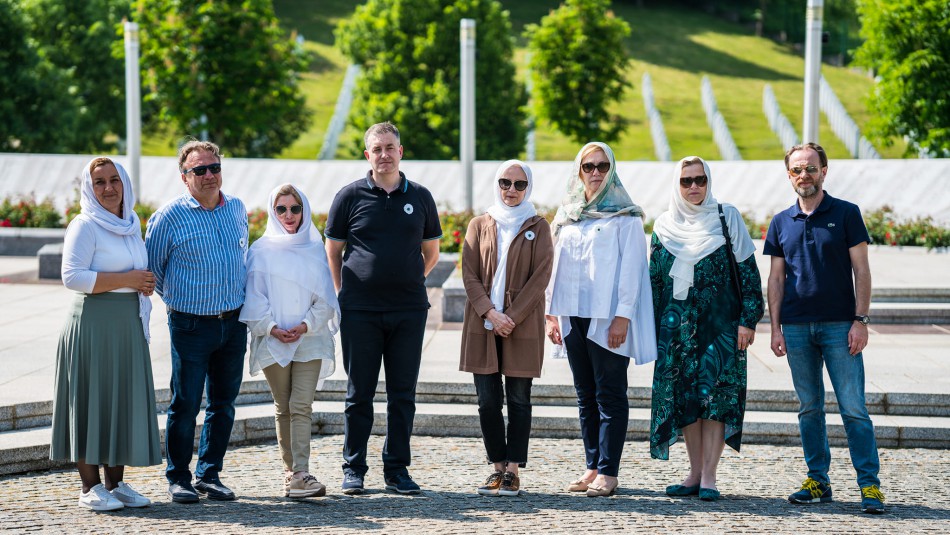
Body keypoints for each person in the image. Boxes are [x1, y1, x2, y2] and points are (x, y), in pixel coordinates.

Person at [764, 142, 885, 514]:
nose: (804, 175)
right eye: (797, 170)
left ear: (824, 171)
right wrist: (775, 328)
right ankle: (818, 480)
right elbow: (776, 279)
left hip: (839, 327)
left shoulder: (846, 213)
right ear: (789, 175)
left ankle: (870, 486)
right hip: (797, 328)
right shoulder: (781, 221)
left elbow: (861, 270)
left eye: (811, 169)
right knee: (809, 409)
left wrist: (860, 321)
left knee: (853, 409)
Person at [325, 122, 442, 495]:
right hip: (360, 311)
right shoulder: (349, 196)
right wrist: (344, 293)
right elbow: (334, 251)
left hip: (409, 310)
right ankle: (354, 468)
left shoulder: (421, 196)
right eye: (377, 149)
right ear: (367, 155)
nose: (384, 155)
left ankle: (397, 470)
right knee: (358, 393)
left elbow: (432, 252)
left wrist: (410, 280)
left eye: (390, 147)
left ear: (401, 151)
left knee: (402, 394)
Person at [648, 156, 764, 501]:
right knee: (686, 400)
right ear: (677, 184)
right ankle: (694, 472)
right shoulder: (664, 224)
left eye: (700, 179)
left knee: (716, 400)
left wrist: (748, 319)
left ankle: (710, 476)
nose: (694, 187)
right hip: (676, 333)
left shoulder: (727, 218)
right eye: (686, 181)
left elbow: (748, 273)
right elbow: (654, 282)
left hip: (721, 330)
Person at [545, 142, 657, 497]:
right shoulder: (567, 214)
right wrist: (551, 313)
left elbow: (633, 270)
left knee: (610, 393)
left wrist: (623, 317)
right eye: (588, 166)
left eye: (602, 166)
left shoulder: (625, 217)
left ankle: (609, 471)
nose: (595, 173)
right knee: (585, 394)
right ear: (579, 171)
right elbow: (554, 267)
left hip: (608, 317)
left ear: (612, 170)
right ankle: (592, 466)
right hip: (571, 314)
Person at [51, 157, 161, 511]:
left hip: (126, 325)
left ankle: (116, 484)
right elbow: (73, 277)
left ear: (125, 184)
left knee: (119, 400)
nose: (109, 188)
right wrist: (130, 279)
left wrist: (143, 281)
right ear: (89, 188)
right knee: (91, 400)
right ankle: (89, 487)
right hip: (93, 326)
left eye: (115, 180)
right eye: (99, 182)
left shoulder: (131, 223)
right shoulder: (83, 226)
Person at [145, 140, 249, 504]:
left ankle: (209, 474)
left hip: (234, 323)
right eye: (199, 170)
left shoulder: (236, 208)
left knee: (224, 403)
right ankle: (178, 477)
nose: (209, 175)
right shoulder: (169, 217)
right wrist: (181, 304)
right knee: (185, 402)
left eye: (214, 167)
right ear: (184, 176)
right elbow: (153, 271)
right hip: (190, 325)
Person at [459, 160, 554, 497]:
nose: (511, 190)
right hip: (482, 323)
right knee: (487, 400)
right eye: (505, 183)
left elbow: (541, 275)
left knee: (519, 399)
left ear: (528, 188)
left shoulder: (539, 226)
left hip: (521, 323)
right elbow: (468, 272)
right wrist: (490, 312)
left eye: (519, 184)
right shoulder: (479, 223)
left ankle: (513, 469)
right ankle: (496, 467)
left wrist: (510, 315)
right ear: (496, 185)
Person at [240, 184, 340, 499]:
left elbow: (326, 298)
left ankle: (301, 473)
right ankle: (290, 473)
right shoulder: (260, 249)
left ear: (304, 210)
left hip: (309, 337)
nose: (288, 215)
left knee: (301, 405)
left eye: (294, 208)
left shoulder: (314, 246)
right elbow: (253, 297)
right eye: (281, 208)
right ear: (273, 211)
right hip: (272, 340)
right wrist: (271, 327)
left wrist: (305, 324)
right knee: (283, 406)